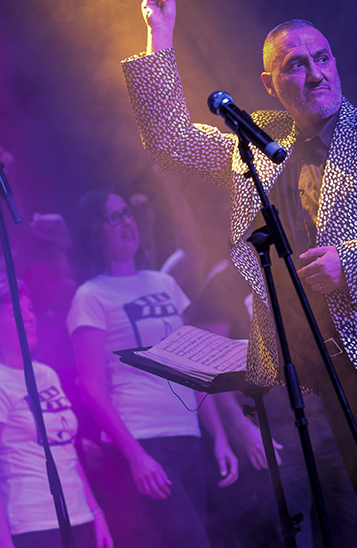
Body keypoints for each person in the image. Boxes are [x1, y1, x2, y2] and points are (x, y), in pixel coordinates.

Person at [121, 0, 357, 546]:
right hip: (319, 384)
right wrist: (158, 36)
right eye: (295, 65)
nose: (315, 74)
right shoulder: (259, 145)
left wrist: (352, 265)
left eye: (323, 58)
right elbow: (171, 142)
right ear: (270, 82)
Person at [67, 190, 238, 548]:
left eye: (127, 213)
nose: (126, 221)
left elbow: (191, 367)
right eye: (114, 217)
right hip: (142, 440)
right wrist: (136, 456)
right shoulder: (91, 296)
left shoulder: (164, 284)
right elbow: (91, 388)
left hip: (187, 436)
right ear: (95, 234)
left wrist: (220, 437)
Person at [0, 277, 112, 548]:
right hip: (33, 523)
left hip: (78, 515)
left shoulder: (46, 374)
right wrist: (2, 543)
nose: (29, 318)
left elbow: (66, 450)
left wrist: (96, 512)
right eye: (16, 313)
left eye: (30, 309)